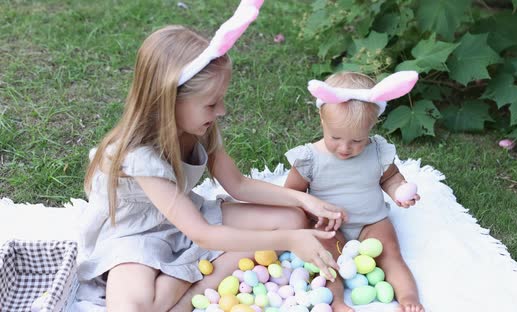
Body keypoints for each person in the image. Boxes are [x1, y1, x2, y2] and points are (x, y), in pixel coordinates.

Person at [76, 2, 346, 311]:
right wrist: (290, 240)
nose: (221, 111)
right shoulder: (139, 156)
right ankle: (190, 284)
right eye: (211, 104)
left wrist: (303, 201)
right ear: (169, 101)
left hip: (184, 219)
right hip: (136, 234)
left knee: (291, 220)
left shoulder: (198, 127)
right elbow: (202, 234)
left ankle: (193, 290)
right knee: (133, 307)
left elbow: (239, 185)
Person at [283, 71, 424, 312]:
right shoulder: (310, 158)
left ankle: (408, 297)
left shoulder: (377, 151)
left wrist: (399, 190)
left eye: (357, 140)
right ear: (322, 120)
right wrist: (311, 218)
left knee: (390, 253)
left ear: (372, 126)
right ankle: (336, 301)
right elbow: (293, 195)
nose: (345, 148)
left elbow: (389, 178)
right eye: (335, 137)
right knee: (326, 260)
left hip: (371, 222)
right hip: (330, 227)